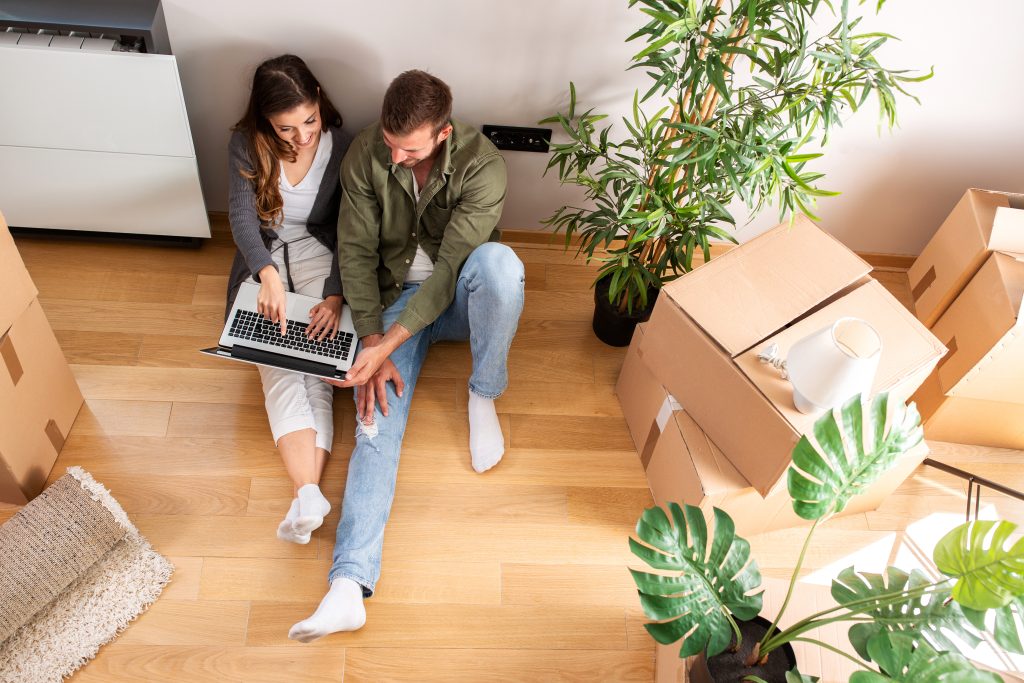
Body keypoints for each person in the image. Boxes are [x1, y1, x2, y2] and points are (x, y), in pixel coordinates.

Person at [288, 70, 524, 641]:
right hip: (394, 305)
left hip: (461, 297)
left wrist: (387, 344)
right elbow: (357, 251)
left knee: (502, 267)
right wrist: (374, 343)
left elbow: (450, 272)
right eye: (391, 142)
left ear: (443, 134)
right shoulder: (368, 154)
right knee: (374, 422)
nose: (395, 156)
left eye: (409, 148)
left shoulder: (484, 164)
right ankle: (348, 586)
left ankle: (483, 391)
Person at [225, 54, 353, 545]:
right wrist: (266, 275)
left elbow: (350, 227)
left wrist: (337, 292)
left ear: (320, 101)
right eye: (286, 128)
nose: (302, 137)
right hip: (265, 254)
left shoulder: (343, 146)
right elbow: (240, 219)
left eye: (309, 122)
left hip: (322, 251)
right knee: (277, 362)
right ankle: (308, 493)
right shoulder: (245, 144)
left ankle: (306, 495)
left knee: (317, 361)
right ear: (264, 121)